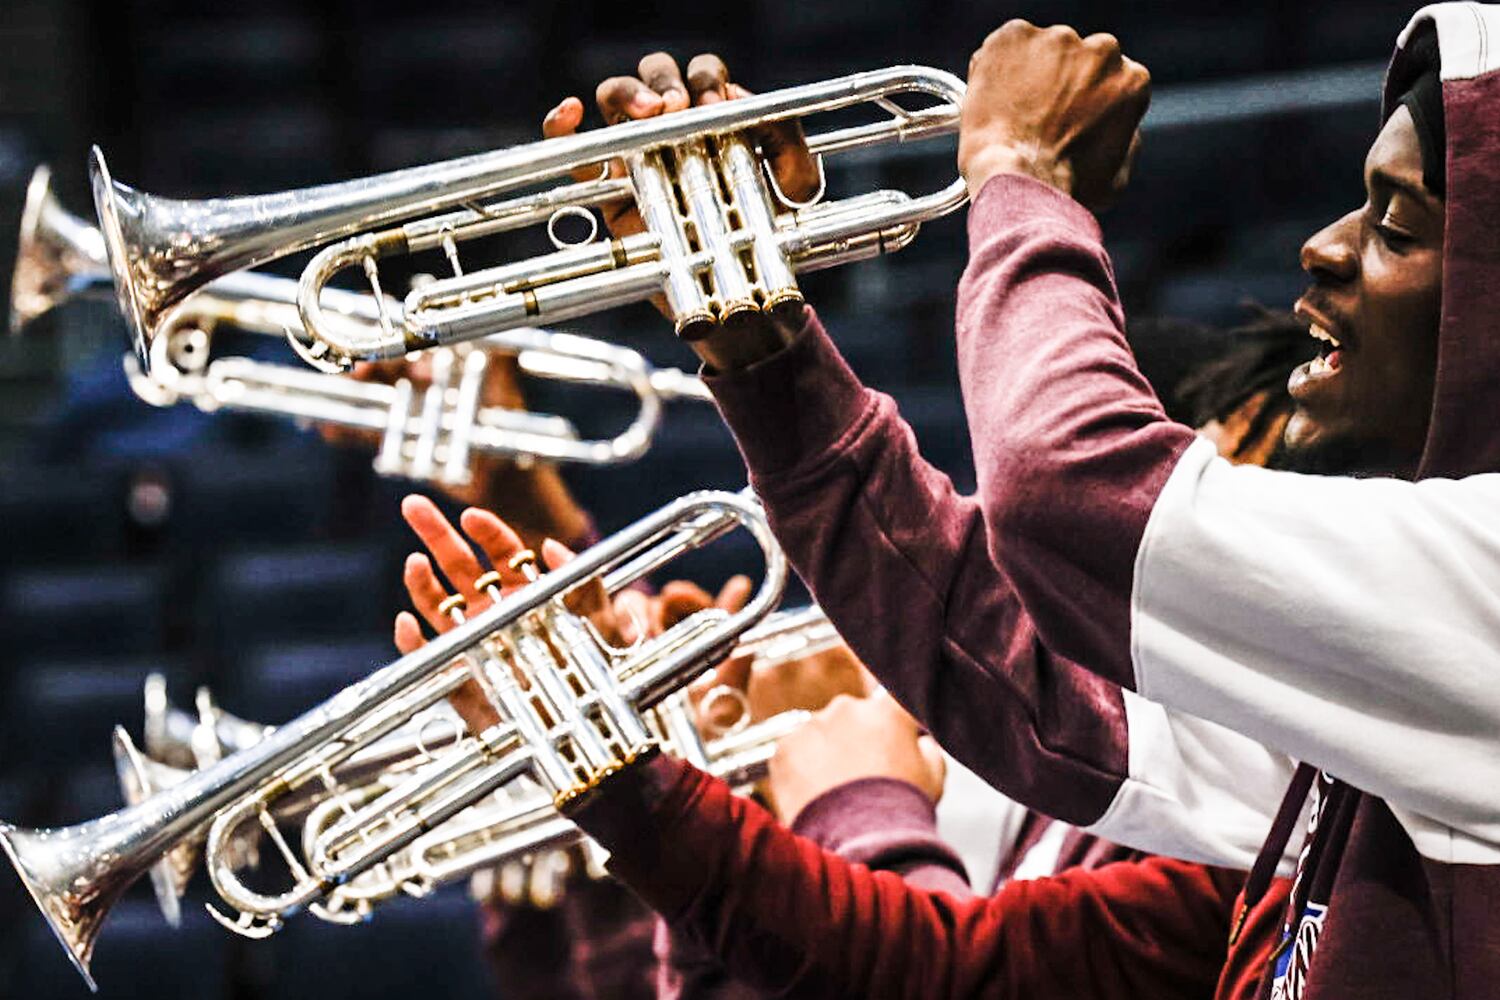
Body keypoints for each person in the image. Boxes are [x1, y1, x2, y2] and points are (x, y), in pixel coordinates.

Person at [485, 7, 1498, 997]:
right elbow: (1015, 667)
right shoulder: (1395, 663)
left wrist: (1021, 173)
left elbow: (1067, 486)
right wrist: (745, 316)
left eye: (1396, 222)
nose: (1322, 247)